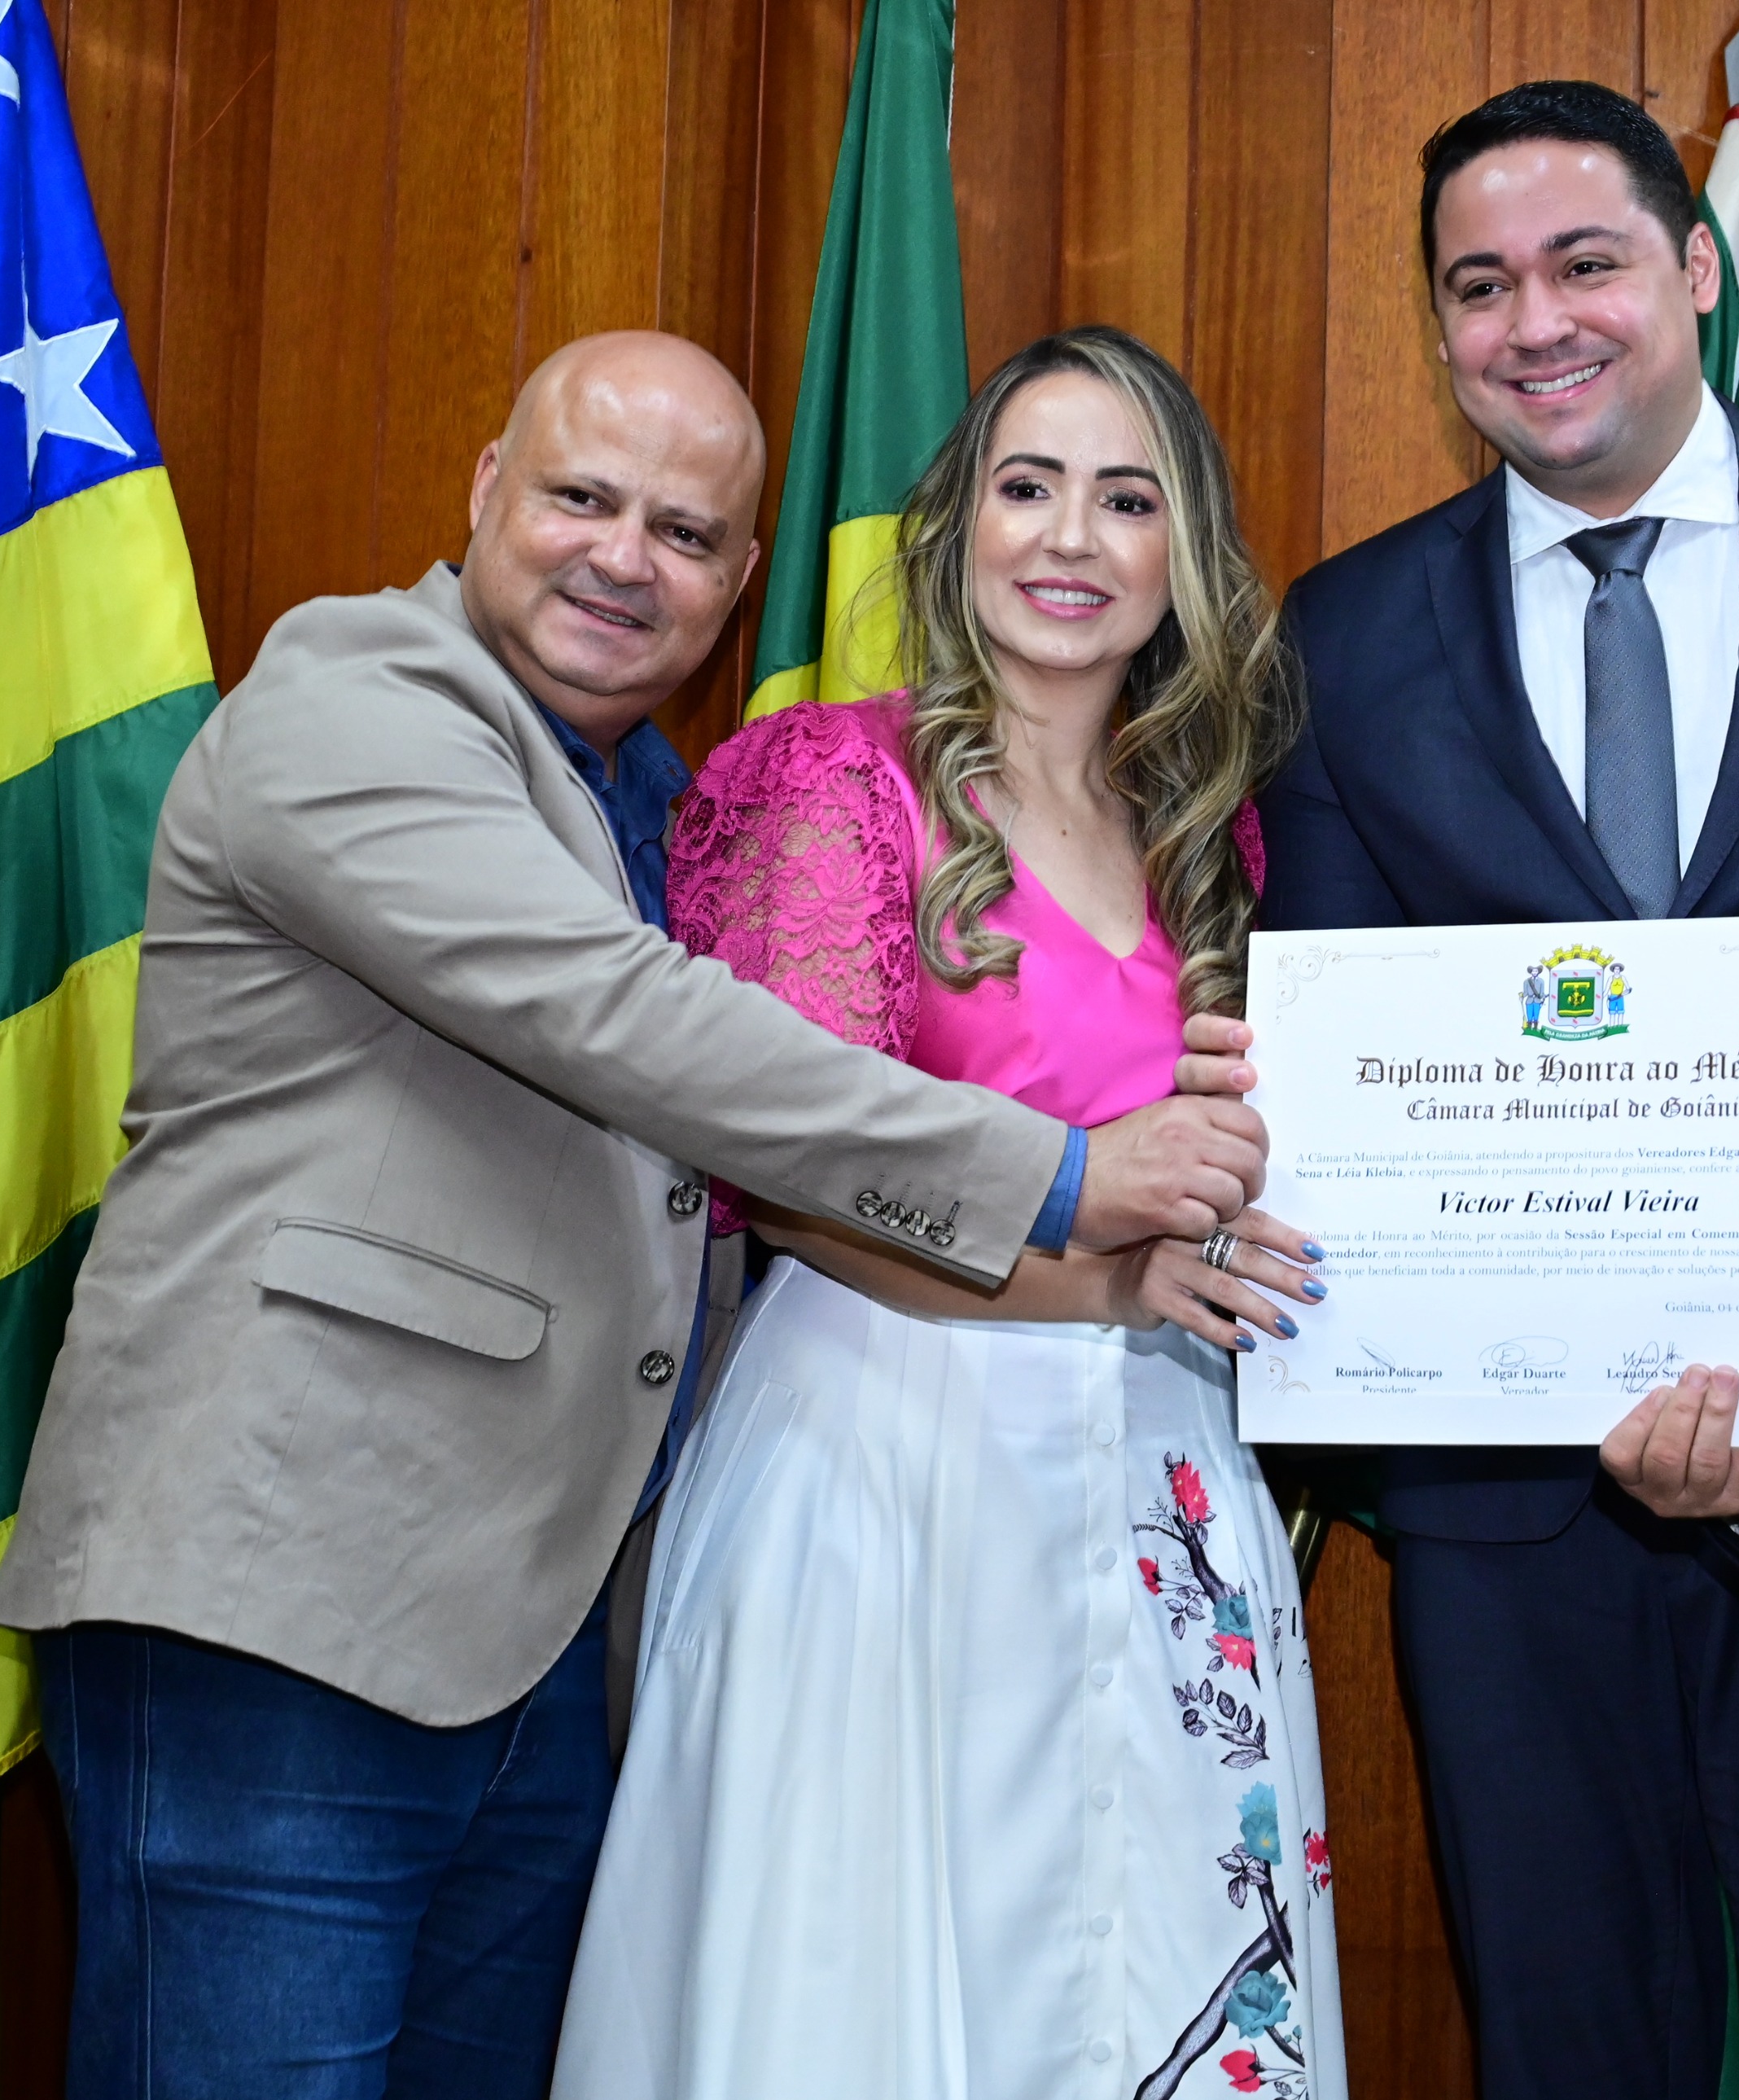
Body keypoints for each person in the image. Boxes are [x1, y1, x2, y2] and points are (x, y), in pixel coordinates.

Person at [0, 331, 1269, 2100]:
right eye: (581, 498)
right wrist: (1068, 1182)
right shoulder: (355, 694)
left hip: (537, 1641)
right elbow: (633, 1025)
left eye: (684, 533)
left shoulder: (657, 803)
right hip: (286, 1607)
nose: (622, 558)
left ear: (742, 583)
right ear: (484, 492)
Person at [1208, 77, 1739, 2100]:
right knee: (1567, 2037)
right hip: (1503, 1506)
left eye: (1584, 263)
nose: (1534, 322)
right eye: (1477, 286)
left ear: (1694, 270)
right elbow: (1340, 1037)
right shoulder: (1343, 631)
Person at [550, 327, 1341, 2100]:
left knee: (1147, 1962)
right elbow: (795, 1181)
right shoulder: (835, 782)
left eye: (1125, 500)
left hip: (1160, 1466)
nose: (1069, 538)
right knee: (867, 1980)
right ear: (956, 525)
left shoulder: (1207, 838)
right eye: (1026, 486)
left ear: (1185, 555)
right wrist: (1113, 1285)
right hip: (885, 1464)